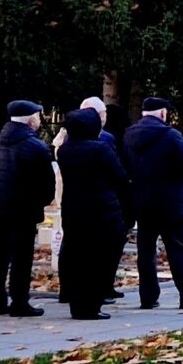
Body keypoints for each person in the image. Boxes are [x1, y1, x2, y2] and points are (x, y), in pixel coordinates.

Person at [123, 95, 183, 309]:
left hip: (142, 199)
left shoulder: (128, 135)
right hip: (169, 199)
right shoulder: (170, 135)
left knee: (146, 249)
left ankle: (148, 296)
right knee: (179, 248)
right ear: (163, 113)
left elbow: (124, 166)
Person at [56, 106, 130, 318]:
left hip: (74, 208)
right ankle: (90, 306)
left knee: (78, 257)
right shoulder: (100, 149)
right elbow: (119, 176)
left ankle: (77, 304)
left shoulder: (65, 150)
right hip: (101, 209)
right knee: (97, 259)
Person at [0, 100, 56, 316]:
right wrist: (43, 201)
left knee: (0, 256)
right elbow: (46, 182)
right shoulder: (34, 146)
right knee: (22, 258)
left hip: (0, 206)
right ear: (31, 119)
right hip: (23, 209)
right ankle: (19, 302)